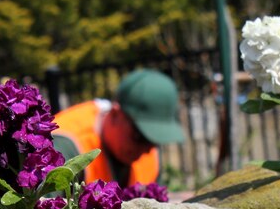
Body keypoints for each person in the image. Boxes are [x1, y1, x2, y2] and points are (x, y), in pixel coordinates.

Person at [52, 69, 186, 186]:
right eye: (140, 135)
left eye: (154, 139)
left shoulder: (150, 157)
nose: (146, 150)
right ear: (115, 114)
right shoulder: (66, 144)